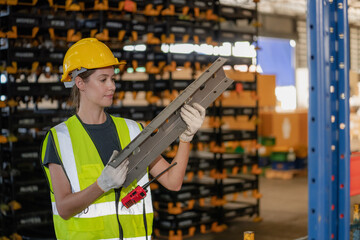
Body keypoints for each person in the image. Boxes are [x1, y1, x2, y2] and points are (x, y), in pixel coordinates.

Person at [40, 38, 206, 240]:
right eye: (103, 80)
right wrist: (101, 185)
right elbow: (64, 208)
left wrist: (186, 138)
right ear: (80, 83)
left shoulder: (133, 130)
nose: (112, 86)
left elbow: (173, 182)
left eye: (113, 78)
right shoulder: (59, 138)